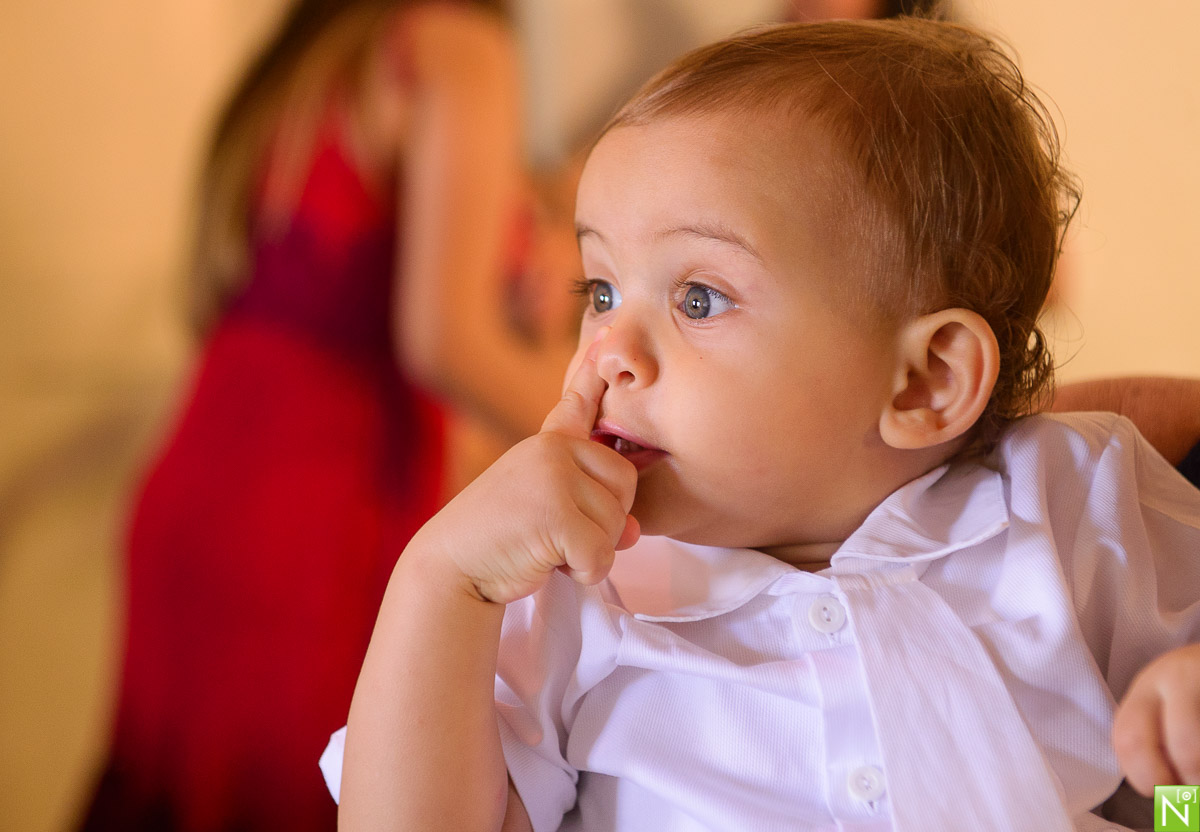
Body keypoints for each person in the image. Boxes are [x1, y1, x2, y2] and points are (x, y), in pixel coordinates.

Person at [321, 17, 1200, 832]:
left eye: (698, 298)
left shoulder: (1075, 505)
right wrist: (443, 579)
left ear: (924, 381)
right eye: (600, 290)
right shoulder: (576, 590)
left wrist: (1182, 793)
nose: (607, 352)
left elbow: (1167, 813)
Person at [78, 1, 579, 830]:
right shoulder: (458, 41)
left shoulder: (324, 49)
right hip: (315, 523)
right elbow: (445, 340)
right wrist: (635, 441)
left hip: (196, 496)